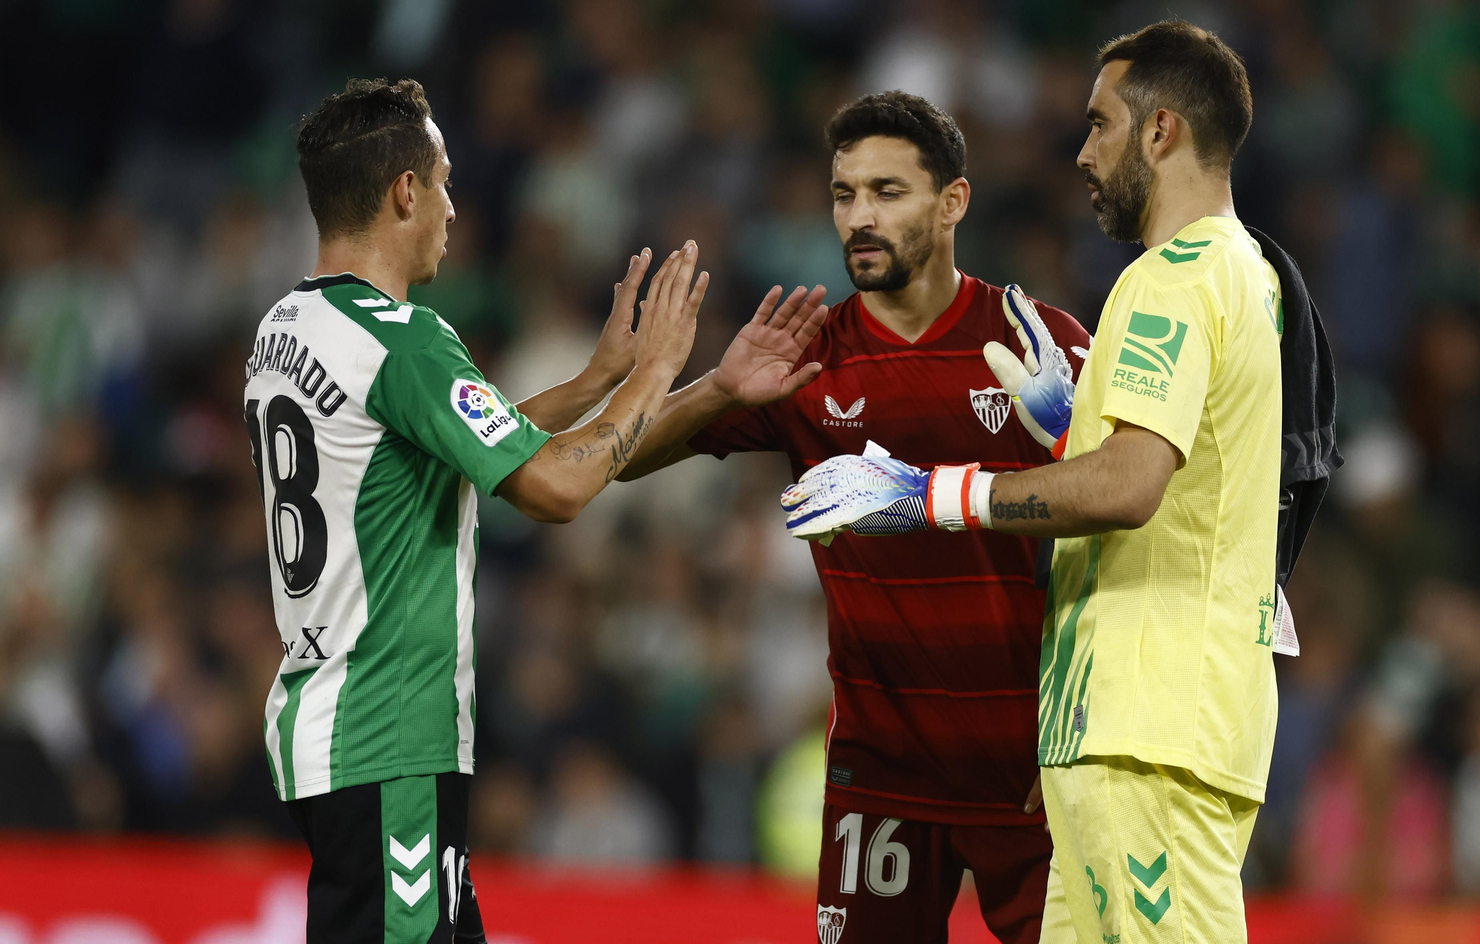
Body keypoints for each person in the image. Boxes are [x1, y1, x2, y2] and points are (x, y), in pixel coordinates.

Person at [245, 78, 823, 943]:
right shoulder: (403, 340)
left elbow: (472, 447)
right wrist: (660, 368)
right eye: (441, 180)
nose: (450, 204)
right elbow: (553, 488)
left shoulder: (287, 328)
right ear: (405, 191)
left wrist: (605, 383)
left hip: (324, 728)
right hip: (391, 736)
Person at [784, 23, 1283, 943]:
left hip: (1147, 729)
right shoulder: (1244, 273)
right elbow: (1206, 479)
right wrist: (1067, 429)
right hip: (1119, 729)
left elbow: (1133, 485)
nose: (1084, 151)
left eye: (1099, 125)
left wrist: (928, 495)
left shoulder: (1167, 279)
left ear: (1161, 131)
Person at [619, 91, 1091, 944]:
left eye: (887, 192)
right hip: (880, 779)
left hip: (1031, 770)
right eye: (844, 195)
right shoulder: (807, 358)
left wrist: (1084, 728)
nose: (859, 218)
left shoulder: (1036, 344)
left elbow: (1124, 507)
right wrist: (720, 391)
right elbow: (614, 459)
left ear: (953, 202)